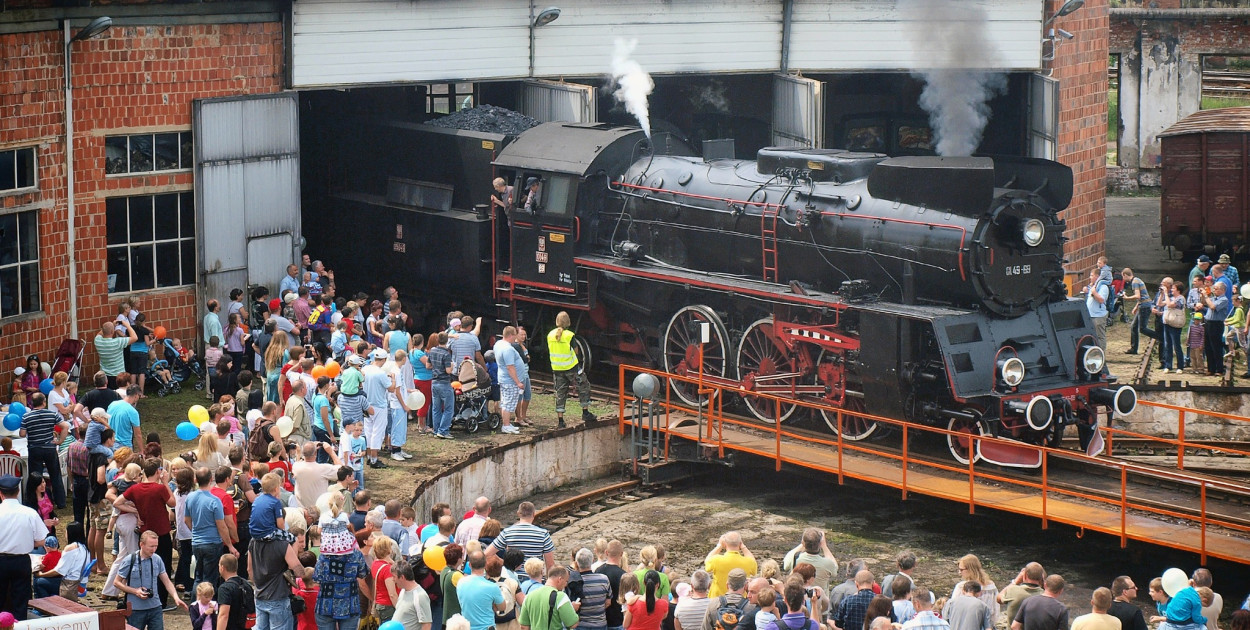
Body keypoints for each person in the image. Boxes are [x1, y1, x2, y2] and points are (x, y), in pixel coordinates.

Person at [116, 530, 190, 629]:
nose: (154, 549)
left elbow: (167, 581)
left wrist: (176, 598)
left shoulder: (157, 559)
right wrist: (135, 591)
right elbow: (116, 582)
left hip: (155, 607)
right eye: (151, 546)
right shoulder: (130, 560)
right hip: (135, 609)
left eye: (156, 546)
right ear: (141, 544)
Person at [0, 474, 48, 620]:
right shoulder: (29, 513)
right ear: (18, 492)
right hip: (21, 560)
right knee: (20, 601)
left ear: (0, 494)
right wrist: (26, 541)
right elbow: (41, 540)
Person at [186, 467, 239, 593]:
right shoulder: (214, 500)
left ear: (196, 480)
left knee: (198, 577)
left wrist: (196, 531)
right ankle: (209, 608)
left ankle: (196, 607)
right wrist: (230, 545)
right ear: (211, 479)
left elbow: (186, 520)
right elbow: (221, 525)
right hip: (212, 543)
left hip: (196, 542)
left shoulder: (190, 497)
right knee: (210, 579)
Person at [547, 312, 595, 427]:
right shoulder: (569, 335)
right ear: (568, 322)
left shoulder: (550, 335)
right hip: (571, 367)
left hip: (557, 368)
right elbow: (576, 351)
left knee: (560, 393)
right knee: (583, 386)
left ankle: (561, 421)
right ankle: (585, 412)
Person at [487, 501, 555, 580]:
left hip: (512, 578)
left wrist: (503, 562)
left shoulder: (507, 532)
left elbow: (487, 553)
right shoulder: (544, 534)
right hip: (535, 578)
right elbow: (550, 564)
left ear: (518, 513)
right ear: (533, 514)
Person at [457, 550, 508, 630]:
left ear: (469, 565)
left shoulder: (460, 582)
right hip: (486, 627)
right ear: (485, 565)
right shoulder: (492, 587)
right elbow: (502, 607)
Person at [519, 564, 579, 630]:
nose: (566, 585)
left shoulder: (528, 597)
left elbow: (523, 626)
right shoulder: (560, 596)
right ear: (560, 579)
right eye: (566, 581)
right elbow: (573, 624)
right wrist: (572, 610)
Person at [782, 529, 839, 595]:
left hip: (799, 598)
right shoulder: (827, 564)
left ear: (803, 542)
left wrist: (803, 544)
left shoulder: (796, 558)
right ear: (820, 543)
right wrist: (824, 546)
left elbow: (786, 566)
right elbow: (835, 568)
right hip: (820, 600)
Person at [704, 531, 757, 599]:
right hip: (740, 601)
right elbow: (753, 564)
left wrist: (719, 545)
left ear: (725, 543)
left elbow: (707, 561)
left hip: (717, 599)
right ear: (740, 543)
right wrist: (744, 547)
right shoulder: (748, 562)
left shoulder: (716, 560)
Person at [292, 441, 343, 510]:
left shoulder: (296, 466)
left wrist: (303, 452)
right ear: (315, 453)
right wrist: (331, 451)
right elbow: (343, 470)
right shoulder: (323, 469)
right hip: (320, 510)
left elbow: (300, 461)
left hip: (302, 510)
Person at [494, 326, 526, 435]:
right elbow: (510, 367)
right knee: (508, 403)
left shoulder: (498, 344)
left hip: (505, 378)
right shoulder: (507, 349)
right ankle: (506, 425)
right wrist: (518, 382)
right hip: (509, 381)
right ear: (511, 335)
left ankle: (507, 424)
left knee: (507, 402)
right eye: (515, 335)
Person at [395, 558, 436, 630]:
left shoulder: (420, 596)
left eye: (394, 577)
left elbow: (426, 625)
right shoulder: (403, 591)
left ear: (402, 577)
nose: (393, 579)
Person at [428, 332, 456, 440]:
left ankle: (436, 430)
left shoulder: (432, 351)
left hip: (434, 382)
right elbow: (448, 371)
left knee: (436, 408)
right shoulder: (446, 354)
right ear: (447, 341)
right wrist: (452, 366)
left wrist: (436, 367)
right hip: (444, 383)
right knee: (449, 408)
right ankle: (443, 430)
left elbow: (428, 365)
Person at [96, 319, 138, 388]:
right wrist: (127, 325)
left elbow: (100, 334)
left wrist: (111, 325)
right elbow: (135, 337)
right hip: (118, 376)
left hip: (105, 376)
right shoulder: (118, 342)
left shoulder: (98, 341)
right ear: (113, 331)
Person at [1121, 269, 1154, 354]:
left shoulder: (1134, 282)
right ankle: (1133, 349)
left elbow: (1138, 296)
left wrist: (1127, 298)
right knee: (1134, 327)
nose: (1123, 279)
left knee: (1142, 329)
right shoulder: (1137, 280)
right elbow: (1142, 295)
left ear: (1125, 275)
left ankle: (1160, 337)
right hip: (1142, 305)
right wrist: (1136, 307)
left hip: (1145, 306)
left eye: (1123, 277)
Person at [1084, 268, 1110, 351]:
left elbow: (1101, 300)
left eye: (1091, 275)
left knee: (1100, 336)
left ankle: (1101, 355)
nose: (1090, 277)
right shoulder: (1094, 286)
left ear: (1097, 276)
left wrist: (1094, 292)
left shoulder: (1103, 287)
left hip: (1098, 316)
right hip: (1090, 315)